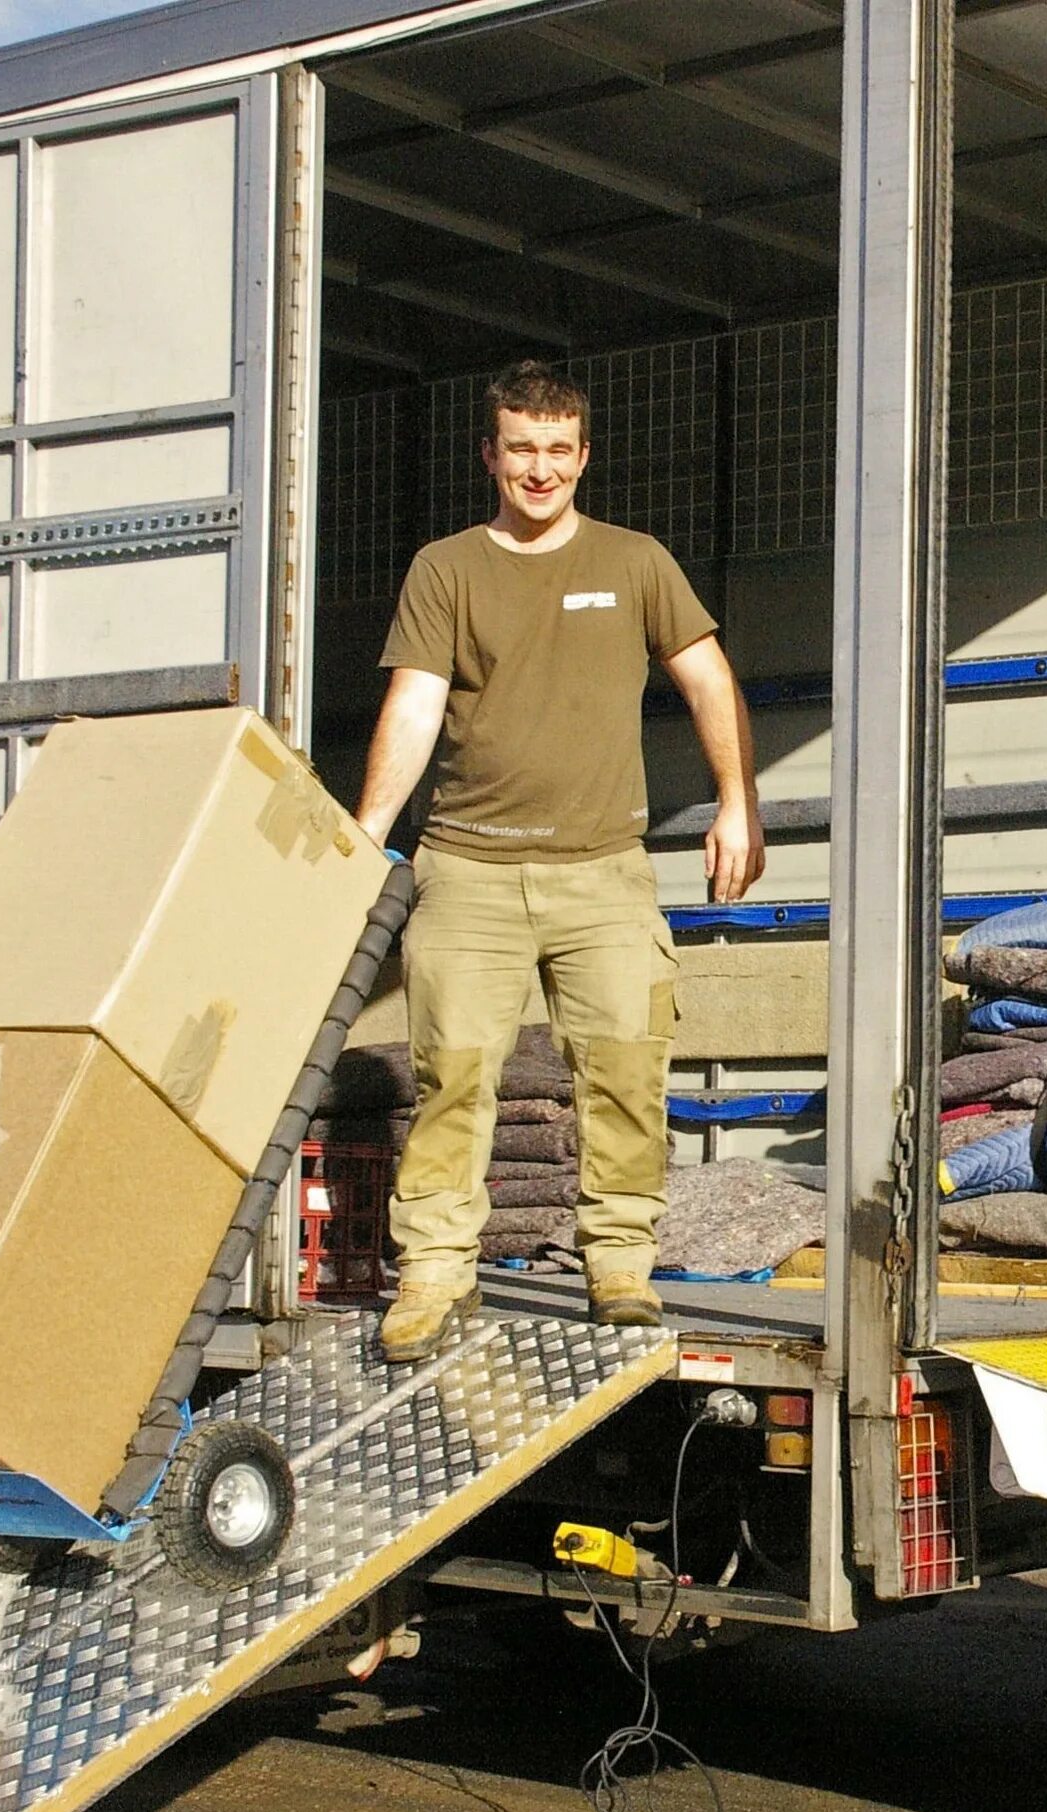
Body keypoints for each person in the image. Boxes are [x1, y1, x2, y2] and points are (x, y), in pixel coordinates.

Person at [354, 360, 766, 1361]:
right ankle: (433, 1275)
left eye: (558, 451)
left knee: (626, 1072)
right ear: (490, 455)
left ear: (583, 456)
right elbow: (412, 703)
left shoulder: (635, 562)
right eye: (521, 450)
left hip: (603, 871)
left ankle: (620, 1266)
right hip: (467, 868)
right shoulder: (446, 569)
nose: (540, 470)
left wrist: (737, 803)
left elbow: (709, 681)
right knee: (450, 1079)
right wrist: (365, 837)